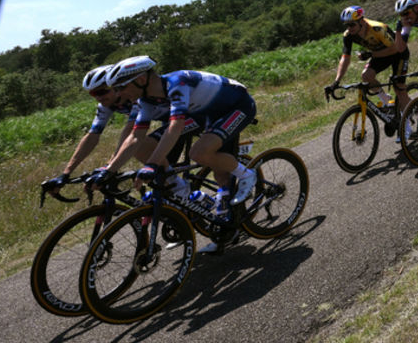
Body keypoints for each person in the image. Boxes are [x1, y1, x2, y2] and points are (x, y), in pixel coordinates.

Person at [93, 55, 258, 252]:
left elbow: (176, 126)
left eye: (121, 87)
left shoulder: (177, 83)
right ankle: (220, 219)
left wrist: (152, 164)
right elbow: (136, 136)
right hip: (207, 115)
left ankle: (246, 174)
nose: (119, 93)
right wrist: (109, 170)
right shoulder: (146, 100)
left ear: (141, 79)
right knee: (197, 158)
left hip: (237, 106)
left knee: (199, 153)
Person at [41, 65, 189, 200]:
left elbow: (131, 132)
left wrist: (109, 167)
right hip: (168, 121)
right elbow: (92, 135)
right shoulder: (105, 105)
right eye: (93, 93)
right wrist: (66, 173)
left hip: (184, 119)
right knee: (160, 174)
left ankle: (182, 189)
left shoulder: (135, 98)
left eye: (102, 91)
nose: (98, 97)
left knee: (144, 150)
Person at [330, 5, 412, 113]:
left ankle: (407, 117)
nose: (349, 28)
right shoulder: (348, 35)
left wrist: (370, 54)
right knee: (366, 76)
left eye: (352, 24)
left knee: (399, 88)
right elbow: (345, 58)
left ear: (362, 21)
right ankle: (386, 100)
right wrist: (337, 81)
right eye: (347, 25)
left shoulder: (377, 28)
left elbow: (394, 49)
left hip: (398, 53)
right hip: (380, 55)